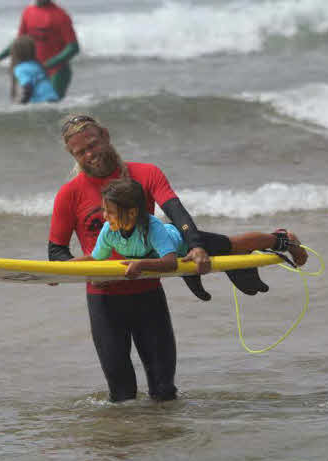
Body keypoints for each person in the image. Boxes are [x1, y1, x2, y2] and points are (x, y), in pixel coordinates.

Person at [48, 114, 307, 402]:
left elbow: (176, 212)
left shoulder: (145, 173)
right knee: (120, 396)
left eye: (93, 144)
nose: (89, 154)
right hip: (104, 299)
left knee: (164, 391)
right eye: (80, 152)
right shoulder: (69, 194)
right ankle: (128, 444)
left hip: (148, 293)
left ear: (105, 136)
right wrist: (64, 272)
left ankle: (280, 239)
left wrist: (195, 245)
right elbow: (56, 251)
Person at [73, 178, 308, 282]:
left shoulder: (150, 226)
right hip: (167, 254)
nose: (105, 217)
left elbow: (171, 262)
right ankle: (278, 240)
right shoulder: (109, 230)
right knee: (235, 250)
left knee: (234, 244)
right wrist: (61, 268)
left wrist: (141, 265)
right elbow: (95, 258)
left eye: (110, 212)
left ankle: (282, 239)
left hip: (185, 243)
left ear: (132, 213)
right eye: (104, 211)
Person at [0, 0, 79, 100]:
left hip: (57, 72)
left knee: (52, 107)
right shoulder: (28, 12)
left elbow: (73, 47)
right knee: (35, 107)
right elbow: (19, 43)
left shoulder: (61, 15)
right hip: (35, 70)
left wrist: (48, 64)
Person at [9, 35, 59, 104]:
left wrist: (23, 103)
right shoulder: (37, 65)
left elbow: (28, 87)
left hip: (42, 101)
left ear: (15, 53)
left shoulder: (20, 69)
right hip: (53, 97)